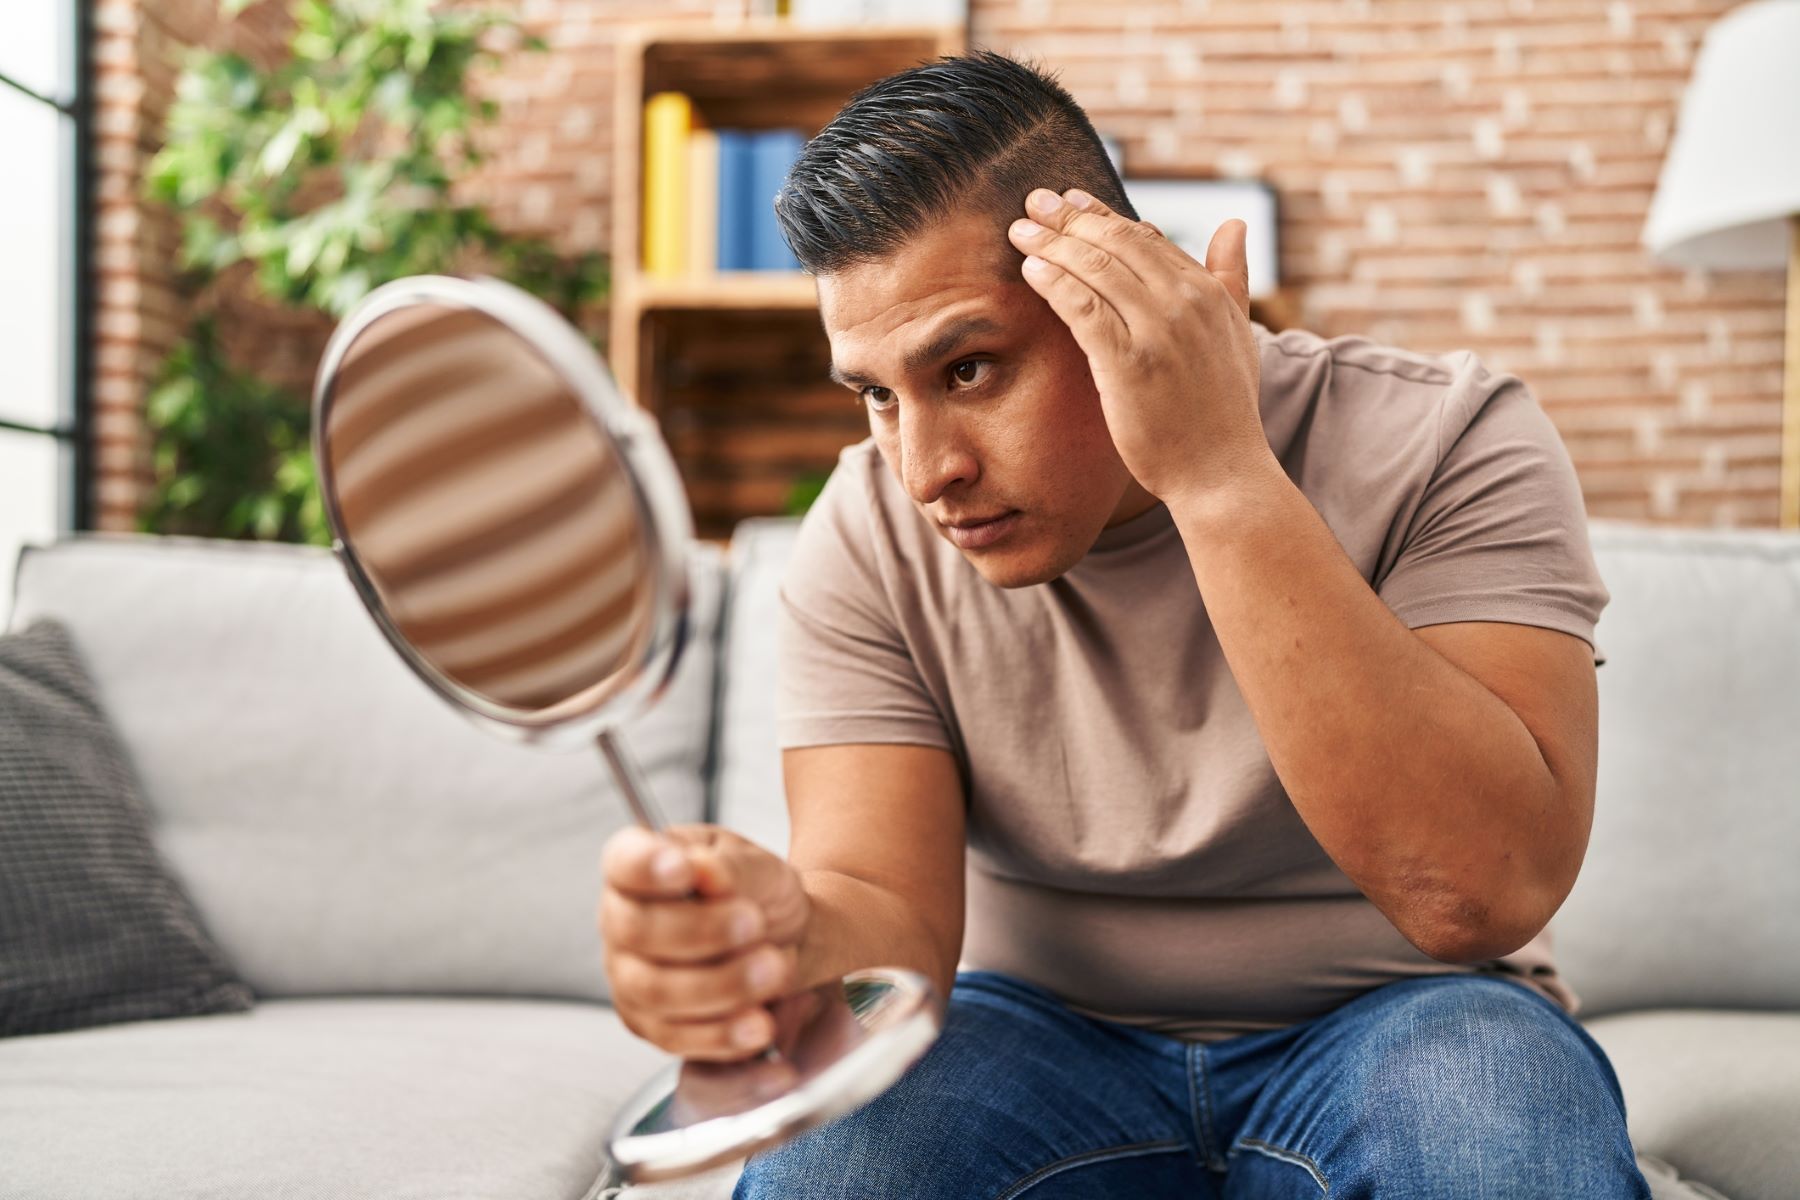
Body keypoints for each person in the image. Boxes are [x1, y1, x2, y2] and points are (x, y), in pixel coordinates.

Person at [598, 50, 1652, 1199]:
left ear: (1115, 292)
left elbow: (1478, 894)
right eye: (878, 394)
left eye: (971, 366)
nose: (926, 470)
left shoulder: (1453, 439)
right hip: (1029, 1031)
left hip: (1410, 1013)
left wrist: (1218, 473)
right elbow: (890, 921)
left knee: (1502, 1158)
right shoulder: (863, 532)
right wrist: (783, 932)